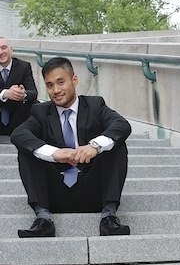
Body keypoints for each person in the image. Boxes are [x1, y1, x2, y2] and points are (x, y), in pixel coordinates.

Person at [11, 56, 130, 237]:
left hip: (92, 190)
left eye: (60, 82)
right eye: (50, 85)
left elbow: (122, 125)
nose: (56, 90)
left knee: (115, 144)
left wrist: (94, 146)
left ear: (74, 79)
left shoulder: (95, 105)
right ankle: (43, 219)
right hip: (55, 193)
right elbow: (19, 134)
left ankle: (109, 217)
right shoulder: (41, 112)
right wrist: (54, 153)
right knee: (27, 149)